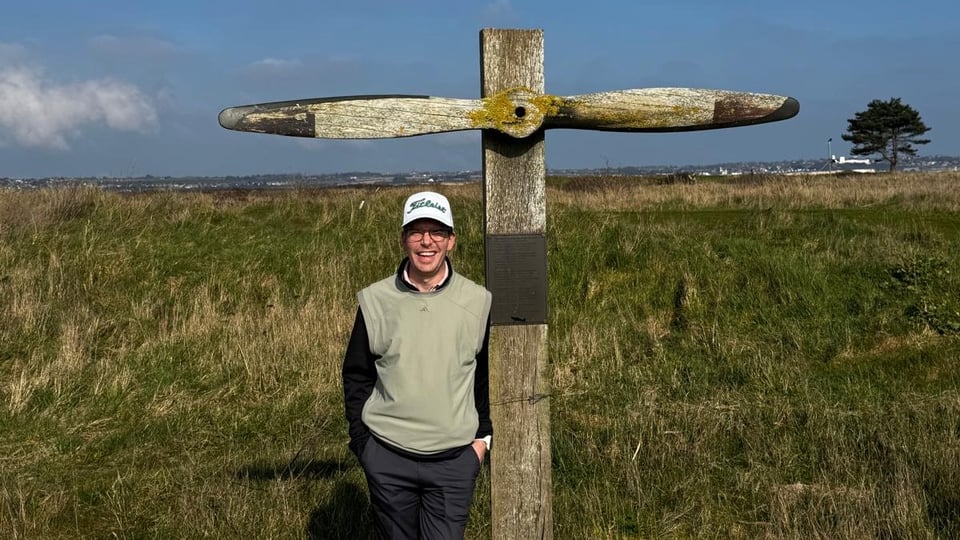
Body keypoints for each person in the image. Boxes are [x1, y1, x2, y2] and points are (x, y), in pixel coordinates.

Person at [342, 191, 493, 539]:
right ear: (403, 239)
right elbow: (356, 374)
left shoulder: (478, 301)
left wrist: (481, 441)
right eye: (416, 231)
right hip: (388, 457)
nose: (427, 242)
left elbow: (481, 377)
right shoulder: (375, 300)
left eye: (437, 231)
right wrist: (363, 443)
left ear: (451, 241)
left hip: (454, 461)